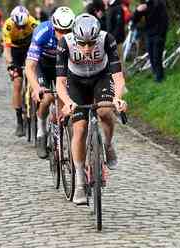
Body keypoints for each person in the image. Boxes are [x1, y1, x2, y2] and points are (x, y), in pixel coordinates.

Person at [56, 14, 127, 204]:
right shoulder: (65, 43)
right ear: (74, 38)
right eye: (82, 44)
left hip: (101, 78)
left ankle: (108, 145)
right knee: (79, 128)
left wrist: (118, 98)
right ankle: (80, 180)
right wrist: (67, 102)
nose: (87, 48)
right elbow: (60, 83)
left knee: (105, 111)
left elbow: (118, 77)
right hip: (76, 81)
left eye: (91, 43)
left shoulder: (106, 39)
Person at [26, 6, 75, 159]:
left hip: (62, 67)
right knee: (46, 98)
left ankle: (58, 130)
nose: (63, 35)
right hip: (43, 66)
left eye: (67, 32)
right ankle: (41, 132)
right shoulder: (42, 32)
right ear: (53, 26)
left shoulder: (76, 35)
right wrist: (36, 88)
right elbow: (30, 66)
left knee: (64, 107)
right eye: (60, 31)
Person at [3, 6, 38, 137]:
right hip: (15, 51)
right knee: (17, 83)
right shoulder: (8, 26)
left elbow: (39, 44)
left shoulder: (33, 23)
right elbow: (6, 50)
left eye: (24, 26)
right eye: (19, 26)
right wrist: (10, 64)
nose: (22, 29)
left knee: (34, 77)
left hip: (30, 49)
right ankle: (19, 120)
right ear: (14, 22)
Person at [131, 0, 169, 83]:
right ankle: (156, 74)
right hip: (148, 34)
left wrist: (161, 34)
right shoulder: (144, 4)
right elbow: (134, 20)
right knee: (151, 56)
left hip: (158, 34)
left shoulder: (159, 3)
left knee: (157, 57)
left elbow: (165, 20)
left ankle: (159, 78)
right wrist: (137, 11)